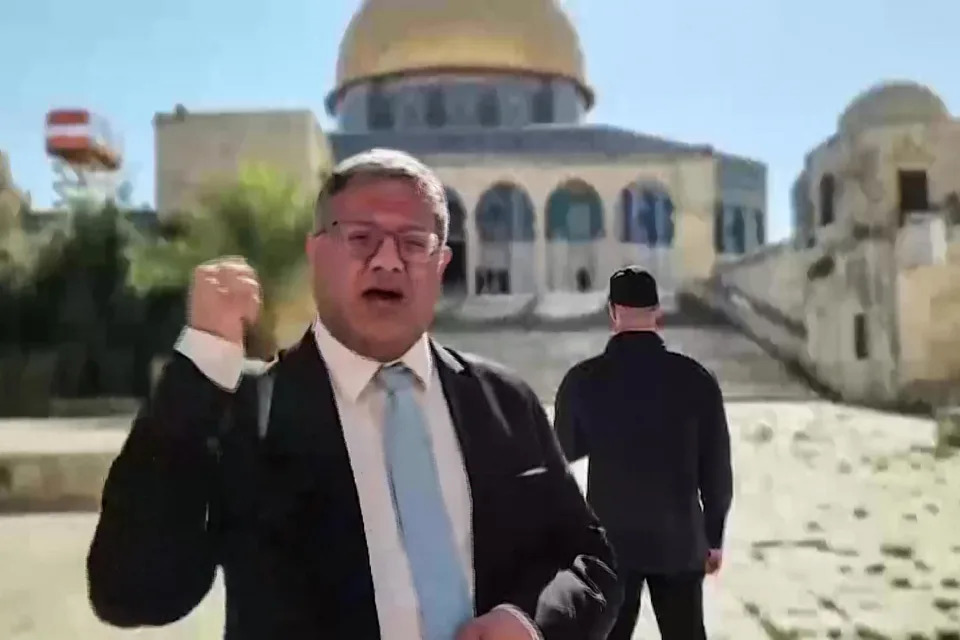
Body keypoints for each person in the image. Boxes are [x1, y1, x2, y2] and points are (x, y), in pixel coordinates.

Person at [86, 148, 621, 640]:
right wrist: (202, 362)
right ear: (317, 253)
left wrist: (532, 622)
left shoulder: (503, 402)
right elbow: (133, 592)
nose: (388, 261)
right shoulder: (248, 415)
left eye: (413, 243)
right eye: (361, 238)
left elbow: (586, 558)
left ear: (441, 267)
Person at [554, 267, 733, 640]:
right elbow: (716, 470)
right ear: (658, 313)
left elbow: (560, 460)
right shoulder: (696, 379)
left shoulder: (583, 380)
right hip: (680, 539)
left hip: (612, 542)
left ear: (612, 312)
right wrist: (713, 537)